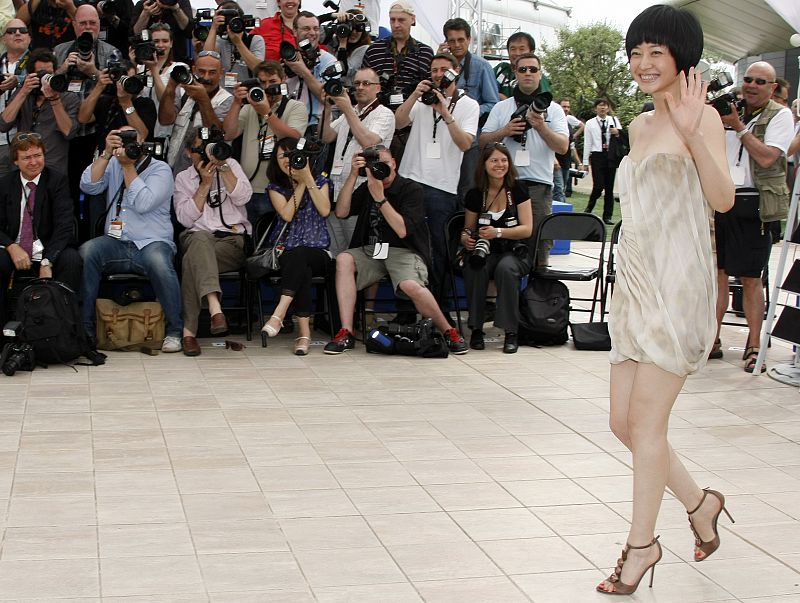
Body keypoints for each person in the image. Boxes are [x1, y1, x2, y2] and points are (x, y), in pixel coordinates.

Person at [596, 5, 735, 596]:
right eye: (637, 52)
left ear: (684, 57)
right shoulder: (635, 125)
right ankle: (701, 504)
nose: (644, 62)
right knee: (622, 423)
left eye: (657, 51)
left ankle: (640, 547)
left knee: (647, 426)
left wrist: (689, 127)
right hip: (636, 280)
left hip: (679, 286)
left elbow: (724, 200)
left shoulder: (699, 117)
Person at [324, 145, 468, 355]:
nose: (379, 169)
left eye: (383, 164)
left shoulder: (411, 189)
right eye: (374, 165)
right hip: (372, 250)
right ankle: (346, 331)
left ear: (394, 164)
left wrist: (380, 198)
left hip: (404, 250)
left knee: (411, 285)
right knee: (344, 259)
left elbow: (402, 230)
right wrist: (354, 176)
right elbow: (342, 211)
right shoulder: (368, 186)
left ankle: (449, 331)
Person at [713, 60, 793, 372]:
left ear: (773, 88)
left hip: (757, 204)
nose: (752, 85)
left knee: (750, 278)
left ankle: (755, 344)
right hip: (722, 199)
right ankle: (712, 339)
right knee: (718, 274)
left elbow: (768, 156)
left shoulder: (781, 115)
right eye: (748, 79)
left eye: (761, 81)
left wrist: (739, 127)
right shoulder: (730, 109)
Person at [78, 126, 180, 352]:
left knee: (160, 264)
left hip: (151, 242)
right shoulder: (112, 162)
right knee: (87, 252)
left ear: (143, 141)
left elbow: (143, 203)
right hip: (116, 243)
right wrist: (106, 153)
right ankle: (85, 328)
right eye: (122, 138)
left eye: (132, 138)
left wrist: (128, 167)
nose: (127, 143)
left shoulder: (160, 169)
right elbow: (89, 186)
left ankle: (174, 331)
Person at [395, 52, 479, 308]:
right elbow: (398, 123)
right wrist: (414, 95)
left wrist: (444, 110)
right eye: (434, 70)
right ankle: (406, 311)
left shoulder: (469, 105)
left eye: (444, 69)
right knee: (406, 249)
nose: (438, 75)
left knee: (438, 252)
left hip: (441, 187)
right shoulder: (421, 100)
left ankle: (436, 312)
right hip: (409, 180)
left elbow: (465, 144)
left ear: (456, 72)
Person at [480, 52, 568, 268]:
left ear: (540, 73)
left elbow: (563, 147)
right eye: (522, 70)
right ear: (515, 74)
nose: (528, 73)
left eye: (533, 69)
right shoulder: (502, 107)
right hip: (505, 186)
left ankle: (538, 298)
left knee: (538, 244)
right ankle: (506, 298)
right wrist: (505, 130)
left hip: (539, 185)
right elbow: (482, 142)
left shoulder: (554, 109)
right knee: (503, 245)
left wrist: (540, 125)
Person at [173, 127, 253, 356]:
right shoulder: (182, 178)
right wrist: (204, 185)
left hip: (230, 241)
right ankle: (215, 308)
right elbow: (185, 219)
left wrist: (224, 168)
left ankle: (189, 333)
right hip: (196, 237)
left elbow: (244, 197)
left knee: (192, 261)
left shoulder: (231, 165)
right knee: (199, 239)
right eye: (201, 149)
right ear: (189, 152)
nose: (207, 154)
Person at [259, 137, 332, 356]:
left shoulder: (321, 181)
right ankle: (304, 334)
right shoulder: (275, 188)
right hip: (286, 251)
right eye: (282, 156)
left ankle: (279, 314)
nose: (287, 160)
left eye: (292, 155)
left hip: (318, 250)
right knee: (301, 267)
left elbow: (325, 210)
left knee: (302, 257)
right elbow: (288, 215)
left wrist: (307, 177)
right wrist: (299, 183)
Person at [0, 132, 81, 324]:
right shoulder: (4, 184)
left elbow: (64, 225)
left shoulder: (57, 181)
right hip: (15, 248)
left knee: (72, 260)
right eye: (26, 157)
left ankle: (63, 328)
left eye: (38, 155)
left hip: (47, 248)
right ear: (15, 161)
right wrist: (12, 246)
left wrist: (48, 261)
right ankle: (4, 329)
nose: (34, 162)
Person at [462, 142, 532, 354]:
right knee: (475, 266)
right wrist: (465, 238)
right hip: (487, 250)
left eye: (504, 160)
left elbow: (527, 229)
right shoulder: (475, 194)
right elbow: (468, 228)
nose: (499, 165)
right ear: (483, 165)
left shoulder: (518, 190)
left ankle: (511, 331)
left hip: (515, 250)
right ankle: (475, 328)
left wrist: (498, 232)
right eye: (494, 160)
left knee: (506, 269)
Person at [320, 66, 395, 256]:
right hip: (337, 188)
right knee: (337, 252)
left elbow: (368, 142)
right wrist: (327, 108)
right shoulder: (351, 111)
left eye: (366, 83)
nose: (360, 88)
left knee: (359, 253)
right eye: (356, 84)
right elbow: (325, 136)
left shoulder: (384, 113)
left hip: (363, 191)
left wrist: (346, 108)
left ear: (378, 88)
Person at [222, 59, 307, 224]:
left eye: (273, 82)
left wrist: (267, 113)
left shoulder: (295, 107)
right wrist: (237, 102)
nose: (267, 87)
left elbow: (293, 138)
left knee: (268, 241)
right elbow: (228, 134)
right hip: (247, 188)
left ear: (283, 81)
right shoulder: (249, 108)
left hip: (277, 188)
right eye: (263, 82)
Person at [440, 17, 499, 199]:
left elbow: (493, 104)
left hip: (469, 142)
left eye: (461, 40)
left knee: (467, 192)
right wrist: (440, 60)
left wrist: (469, 112)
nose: (456, 45)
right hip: (443, 139)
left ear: (469, 40)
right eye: (452, 40)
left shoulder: (481, 66)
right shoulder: (440, 67)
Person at [0, 48, 80, 173]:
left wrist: (54, 99)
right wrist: (23, 92)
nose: (45, 77)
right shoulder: (23, 93)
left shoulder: (68, 98)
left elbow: (69, 132)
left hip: (53, 169)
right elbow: (3, 125)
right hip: (23, 168)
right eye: (41, 73)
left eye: (49, 73)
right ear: (30, 74)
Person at [159, 49, 233, 174]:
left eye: (212, 72)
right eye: (201, 72)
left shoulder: (227, 99)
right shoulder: (182, 91)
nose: (206, 77)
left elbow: (217, 135)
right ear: (193, 70)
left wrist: (203, 99)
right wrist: (171, 86)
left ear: (221, 73)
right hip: (172, 168)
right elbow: (165, 120)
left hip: (204, 172)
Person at [362, 1, 433, 113]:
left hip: (412, 116)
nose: (396, 25)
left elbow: (429, 86)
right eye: (392, 20)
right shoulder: (373, 50)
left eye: (401, 20)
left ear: (413, 19)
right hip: (376, 114)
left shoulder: (425, 52)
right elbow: (362, 84)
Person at [77, 59, 157, 153]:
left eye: (131, 78)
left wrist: (126, 103)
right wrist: (99, 87)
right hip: (105, 157)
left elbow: (142, 135)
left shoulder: (145, 103)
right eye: (123, 78)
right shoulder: (106, 100)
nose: (127, 83)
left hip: (131, 157)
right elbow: (83, 118)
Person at [281, 10, 336, 132]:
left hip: (315, 126)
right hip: (287, 124)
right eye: (306, 28)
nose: (312, 33)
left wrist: (303, 71)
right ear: (295, 31)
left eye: (316, 29)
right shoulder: (289, 57)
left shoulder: (328, 60)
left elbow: (327, 98)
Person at [139, 22, 187, 142]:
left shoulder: (179, 68)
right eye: (156, 41)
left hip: (165, 133)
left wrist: (154, 71)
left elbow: (165, 99)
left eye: (165, 41)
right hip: (141, 132)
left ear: (171, 43)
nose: (160, 45)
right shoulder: (140, 68)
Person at [202, 1, 265, 84]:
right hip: (224, 93)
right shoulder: (219, 40)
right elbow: (207, 58)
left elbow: (259, 69)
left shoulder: (255, 40)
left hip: (247, 90)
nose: (230, 24)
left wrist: (238, 42)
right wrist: (214, 27)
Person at [583, 98, 623, 225]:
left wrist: (617, 132)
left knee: (609, 188)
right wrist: (585, 162)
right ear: (595, 108)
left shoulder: (614, 120)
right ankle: (589, 208)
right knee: (598, 186)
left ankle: (607, 215)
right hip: (597, 155)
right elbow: (587, 143)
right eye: (600, 106)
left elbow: (622, 136)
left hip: (610, 155)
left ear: (608, 108)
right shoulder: (590, 123)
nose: (603, 108)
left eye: (605, 106)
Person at [0, 19, 31, 176]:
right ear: (3, 39)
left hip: (24, 143)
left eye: (22, 30)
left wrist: (19, 80)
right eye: (11, 31)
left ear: (29, 37)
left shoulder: (37, 61)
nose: (18, 33)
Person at [558, 97, 585, 197]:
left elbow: (572, 147)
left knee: (561, 189)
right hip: (554, 163)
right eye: (563, 106)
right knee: (558, 190)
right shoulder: (551, 120)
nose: (566, 109)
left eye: (568, 107)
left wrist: (579, 163)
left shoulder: (569, 120)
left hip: (565, 162)